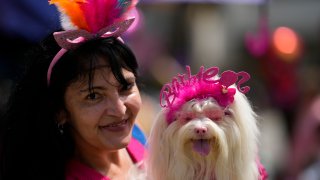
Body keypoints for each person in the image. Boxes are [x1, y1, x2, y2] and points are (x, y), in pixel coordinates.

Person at [0, 0, 146, 179]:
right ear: (60, 111)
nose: (120, 110)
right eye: (93, 96)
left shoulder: (136, 135)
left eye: (126, 87)